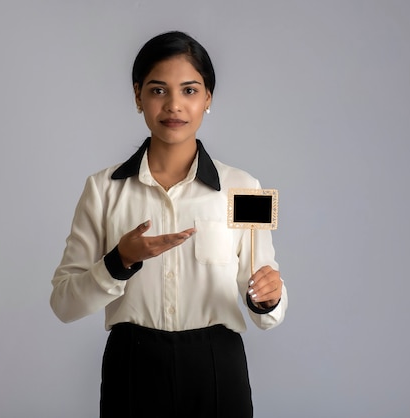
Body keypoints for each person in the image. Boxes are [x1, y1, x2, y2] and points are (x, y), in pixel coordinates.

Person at [50, 30, 288, 418]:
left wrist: (270, 297)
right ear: (138, 95)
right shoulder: (103, 190)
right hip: (133, 364)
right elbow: (64, 304)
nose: (174, 105)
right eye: (159, 90)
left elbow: (265, 295)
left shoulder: (244, 188)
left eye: (190, 90)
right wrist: (118, 262)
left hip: (217, 367)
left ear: (208, 98)